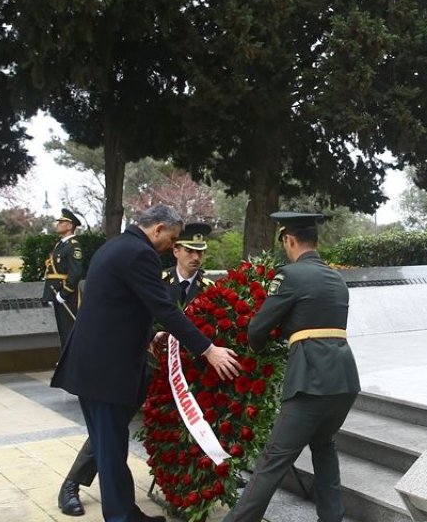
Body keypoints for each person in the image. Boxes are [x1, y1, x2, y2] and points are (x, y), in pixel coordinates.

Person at [52, 205, 241, 522]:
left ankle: (123, 512)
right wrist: (208, 350)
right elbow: (164, 309)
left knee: (107, 443)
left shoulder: (115, 246)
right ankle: (122, 516)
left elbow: (121, 309)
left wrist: (148, 337)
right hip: (106, 369)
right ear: (158, 229)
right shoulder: (141, 254)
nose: (171, 246)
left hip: (93, 365)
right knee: (110, 446)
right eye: (173, 238)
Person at [223, 211, 361, 522]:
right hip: (344, 380)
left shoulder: (292, 275)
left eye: (284, 242)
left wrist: (258, 349)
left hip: (310, 380)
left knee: (273, 460)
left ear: (289, 239)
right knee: (324, 446)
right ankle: (332, 518)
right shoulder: (337, 279)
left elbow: (258, 329)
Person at [43, 208, 84, 349]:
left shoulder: (74, 246)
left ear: (70, 226)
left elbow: (76, 272)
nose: (58, 224)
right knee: (63, 332)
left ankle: (72, 365)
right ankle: (67, 364)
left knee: (69, 331)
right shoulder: (60, 245)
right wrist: (51, 294)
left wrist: (64, 293)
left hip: (68, 295)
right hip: (57, 292)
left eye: (62, 222)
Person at [162, 222, 214, 304]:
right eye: (189, 251)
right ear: (176, 252)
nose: (196, 257)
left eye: (200, 252)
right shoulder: (160, 282)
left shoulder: (209, 288)